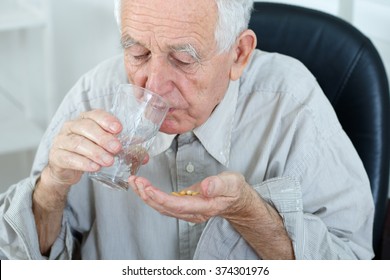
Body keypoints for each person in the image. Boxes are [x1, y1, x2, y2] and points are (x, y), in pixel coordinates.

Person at [0, 0, 374, 260]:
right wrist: (51, 188)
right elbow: (18, 257)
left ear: (239, 55)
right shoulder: (94, 94)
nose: (153, 86)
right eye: (138, 53)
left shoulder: (292, 105)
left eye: (183, 59)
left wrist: (252, 214)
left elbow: (352, 263)